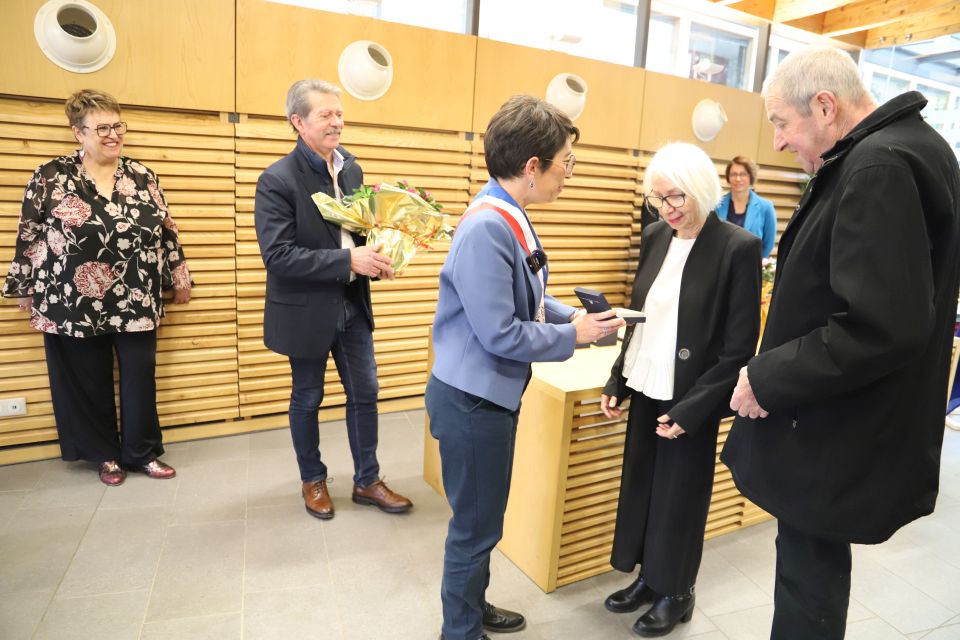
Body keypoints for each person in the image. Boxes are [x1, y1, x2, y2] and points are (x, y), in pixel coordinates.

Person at [723, 46, 960, 640]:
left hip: (831, 429)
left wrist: (767, 376)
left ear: (824, 106)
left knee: (808, 587)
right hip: (845, 422)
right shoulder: (914, 150)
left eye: (781, 122)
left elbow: (878, 324)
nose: (777, 142)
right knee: (812, 577)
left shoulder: (879, 167)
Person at [426, 95, 624, 640]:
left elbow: (527, 296)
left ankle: (473, 606)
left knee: (484, 520)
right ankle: (459, 630)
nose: (569, 176)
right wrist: (574, 335)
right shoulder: (489, 226)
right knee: (474, 526)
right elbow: (501, 332)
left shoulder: (506, 213)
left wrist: (578, 315)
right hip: (473, 402)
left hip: (486, 397)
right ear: (532, 167)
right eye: (567, 164)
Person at [599, 142, 762, 637]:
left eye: (676, 198)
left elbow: (738, 348)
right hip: (649, 382)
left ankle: (678, 592)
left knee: (681, 497)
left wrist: (693, 409)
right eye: (658, 199)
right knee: (645, 485)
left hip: (694, 394)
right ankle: (650, 578)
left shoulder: (737, 247)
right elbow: (641, 318)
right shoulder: (655, 237)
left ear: (700, 191)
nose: (667, 209)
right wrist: (618, 381)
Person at [1, 89, 191, 486]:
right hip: (71, 296)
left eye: (117, 125)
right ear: (78, 133)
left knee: (140, 375)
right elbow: (30, 234)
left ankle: (142, 452)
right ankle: (105, 455)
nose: (112, 134)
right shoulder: (51, 175)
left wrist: (178, 272)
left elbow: (165, 228)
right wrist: (22, 285)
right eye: (101, 127)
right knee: (87, 378)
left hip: (136, 292)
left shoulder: (142, 175)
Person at [254, 79, 412, 521]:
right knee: (307, 397)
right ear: (297, 122)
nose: (337, 122)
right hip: (307, 310)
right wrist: (348, 260)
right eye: (326, 115)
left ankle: (367, 480)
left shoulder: (353, 170)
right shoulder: (276, 180)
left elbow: (357, 233)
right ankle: (313, 480)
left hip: (352, 304)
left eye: (339, 114)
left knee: (366, 392)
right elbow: (278, 255)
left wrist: (381, 255)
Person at [716, 155, 778, 257]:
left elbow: (768, 244)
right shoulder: (717, 205)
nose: (738, 178)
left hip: (750, 266)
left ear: (751, 177)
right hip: (722, 264)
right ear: (728, 177)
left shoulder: (766, 207)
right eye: (733, 174)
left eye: (743, 174)